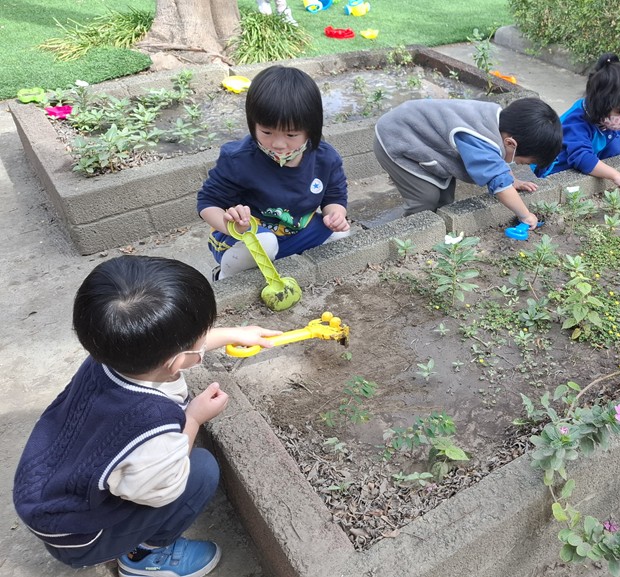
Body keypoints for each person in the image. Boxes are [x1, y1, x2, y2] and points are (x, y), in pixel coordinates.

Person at [12, 256, 280, 577]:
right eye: (204, 336)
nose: (206, 338)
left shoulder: (108, 356)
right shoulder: (151, 425)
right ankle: (143, 556)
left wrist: (235, 333)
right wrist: (194, 419)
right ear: (176, 361)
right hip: (80, 535)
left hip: (43, 489)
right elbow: (164, 488)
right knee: (201, 471)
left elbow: (171, 347)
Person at [198, 65, 350, 281]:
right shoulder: (238, 159)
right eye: (266, 132)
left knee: (341, 233)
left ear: (311, 128)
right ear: (253, 123)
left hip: (295, 232)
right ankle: (225, 279)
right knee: (266, 242)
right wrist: (233, 226)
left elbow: (334, 197)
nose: (278, 144)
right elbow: (207, 203)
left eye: (291, 134)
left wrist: (335, 215)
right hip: (247, 237)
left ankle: (283, 268)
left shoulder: (325, 158)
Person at [373, 97, 562, 228]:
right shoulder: (479, 139)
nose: (515, 164)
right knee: (425, 198)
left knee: (445, 199)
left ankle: (435, 228)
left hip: (420, 135)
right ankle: (410, 233)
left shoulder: (500, 122)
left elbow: (498, 165)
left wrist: (513, 180)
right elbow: (499, 183)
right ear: (510, 143)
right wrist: (525, 215)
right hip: (396, 138)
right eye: (520, 162)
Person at [539, 53, 620, 194]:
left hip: (578, 166)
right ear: (601, 103)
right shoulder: (575, 123)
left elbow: (613, 135)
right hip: (557, 172)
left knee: (615, 144)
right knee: (609, 149)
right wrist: (615, 175)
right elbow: (582, 157)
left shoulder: (599, 115)